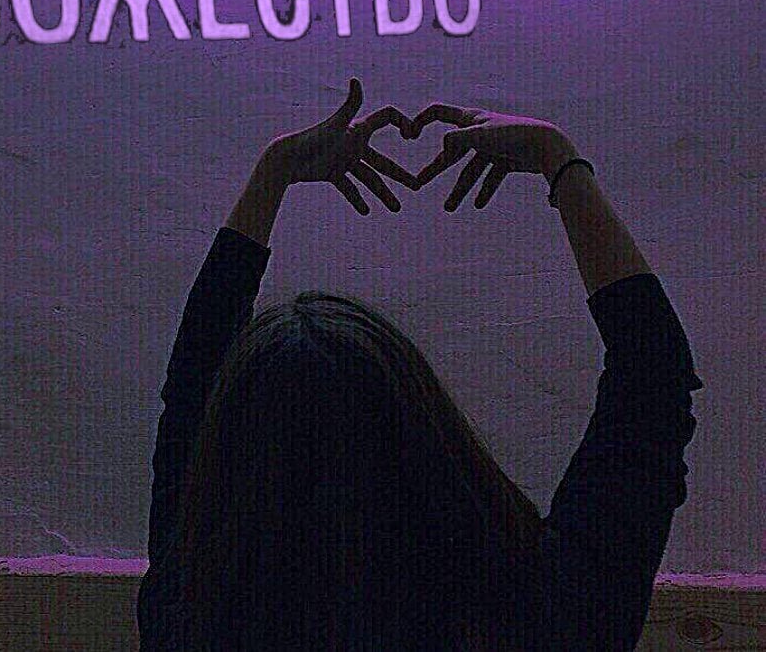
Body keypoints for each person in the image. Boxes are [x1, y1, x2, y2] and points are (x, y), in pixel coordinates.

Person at [137, 78, 703, 650]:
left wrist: (272, 175)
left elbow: (191, 393)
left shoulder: (187, 610)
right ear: (422, 428)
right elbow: (653, 376)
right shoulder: (547, 615)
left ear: (228, 449)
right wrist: (560, 162)